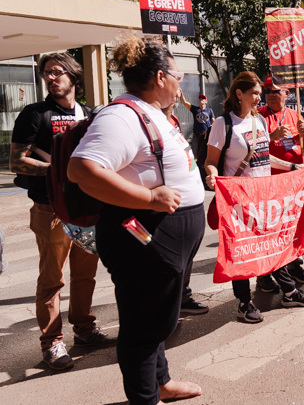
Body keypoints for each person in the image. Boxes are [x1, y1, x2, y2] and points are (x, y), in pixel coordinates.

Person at [68, 35, 205, 404]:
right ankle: (145, 398)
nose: (181, 82)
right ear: (161, 77)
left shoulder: (151, 113)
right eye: (178, 74)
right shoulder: (122, 116)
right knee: (143, 326)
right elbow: (82, 169)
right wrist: (148, 197)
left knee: (156, 316)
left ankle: (160, 383)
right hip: (141, 236)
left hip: (164, 237)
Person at [10, 53, 115, 371]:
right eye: (46, 73)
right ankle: (52, 344)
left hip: (86, 209)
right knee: (51, 279)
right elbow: (17, 161)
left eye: (57, 72)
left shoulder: (90, 114)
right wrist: (59, 171)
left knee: (85, 275)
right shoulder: (35, 114)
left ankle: (84, 330)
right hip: (49, 208)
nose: (50, 77)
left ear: (74, 76)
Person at [205, 72, 304, 323]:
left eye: (260, 93)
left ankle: (289, 292)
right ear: (239, 94)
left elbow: (264, 158)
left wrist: (291, 168)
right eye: (255, 93)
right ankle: (244, 303)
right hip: (238, 201)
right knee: (242, 252)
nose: (260, 98)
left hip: (263, 198)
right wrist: (212, 177)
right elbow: (211, 162)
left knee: (270, 245)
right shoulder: (223, 124)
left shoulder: (260, 122)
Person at [258, 78, 304, 286]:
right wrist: (271, 136)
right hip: (269, 185)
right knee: (269, 229)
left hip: (293, 185)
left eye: (276, 91)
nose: (272, 94)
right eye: (268, 91)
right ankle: (264, 274)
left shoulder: (294, 115)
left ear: (287, 94)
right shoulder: (258, 116)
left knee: (292, 227)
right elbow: (251, 147)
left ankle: (293, 265)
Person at [162, 89, 209, 316]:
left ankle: (182, 297)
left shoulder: (174, 120)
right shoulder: (149, 120)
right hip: (165, 207)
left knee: (185, 259)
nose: (177, 95)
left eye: (179, 92)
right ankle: (167, 305)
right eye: (175, 90)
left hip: (187, 207)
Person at [180, 91, 214, 159]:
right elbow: (184, 102)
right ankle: (196, 167)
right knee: (194, 154)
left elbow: (213, 121)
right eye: (200, 98)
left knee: (206, 154)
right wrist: (181, 94)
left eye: (203, 98)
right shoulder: (195, 109)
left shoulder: (209, 110)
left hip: (206, 136)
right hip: (196, 135)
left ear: (206, 101)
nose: (201, 99)